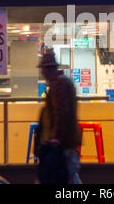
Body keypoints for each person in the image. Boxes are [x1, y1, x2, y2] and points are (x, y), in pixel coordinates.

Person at [35, 51, 82, 184]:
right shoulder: (63, 82)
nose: (42, 73)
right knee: (70, 176)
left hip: (62, 143)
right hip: (67, 141)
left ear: (48, 69)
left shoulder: (59, 85)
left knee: (65, 175)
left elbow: (60, 112)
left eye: (43, 69)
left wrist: (56, 137)